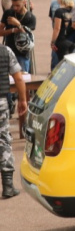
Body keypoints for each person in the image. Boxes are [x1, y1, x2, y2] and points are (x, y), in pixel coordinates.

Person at [1, 42, 27, 198]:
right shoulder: (5, 52)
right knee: (3, 141)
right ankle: (8, 186)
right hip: (1, 103)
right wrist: (23, 100)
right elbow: (18, 78)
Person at [50, 0, 75, 69]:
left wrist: (53, 42)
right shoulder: (74, 10)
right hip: (72, 40)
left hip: (62, 40)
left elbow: (57, 28)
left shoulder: (59, 11)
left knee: (63, 64)